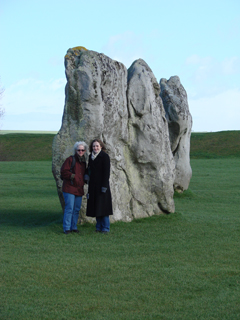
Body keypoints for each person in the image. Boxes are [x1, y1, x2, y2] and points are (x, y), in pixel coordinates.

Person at [86, 139, 113, 233]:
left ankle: (105, 228)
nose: (95, 148)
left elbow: (106, 172)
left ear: (101, 146)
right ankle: (98, 227)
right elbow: (89, 169)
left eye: (97, 146)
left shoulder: (105, 156)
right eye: (94, 146)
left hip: (102, 185)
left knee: (103, 207)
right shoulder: (91, 157)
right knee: (96, 206)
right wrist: (86, 176)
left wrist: (104, 186)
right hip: (93, 186)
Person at [60, 141, 87, 234]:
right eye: (78, 150)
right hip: (69, 188)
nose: (80, 151)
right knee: (69, 208)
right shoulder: (70, 160)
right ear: (75, 150)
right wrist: (73, 176)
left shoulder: (84, 162)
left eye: (82, 150)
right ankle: (67, 228)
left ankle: (74, 227)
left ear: (85, 151)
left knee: (76, 209)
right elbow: (63, 171)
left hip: (79, 189)